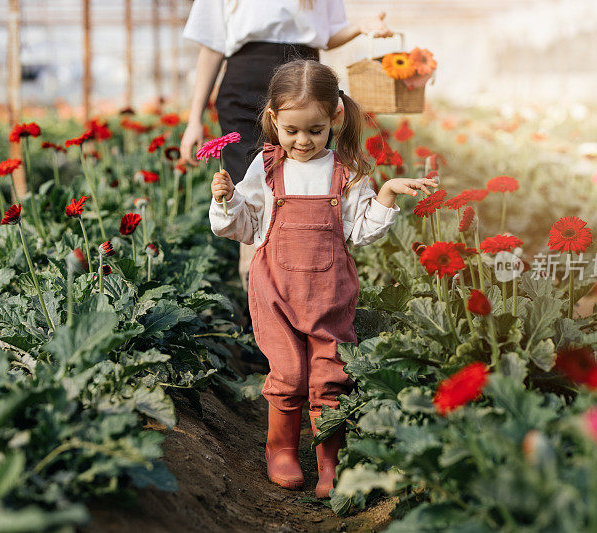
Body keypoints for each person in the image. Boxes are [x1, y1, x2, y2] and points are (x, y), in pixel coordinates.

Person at [209, 60, 439, 497]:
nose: (302, 141)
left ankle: (329, 458)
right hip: (275, 289)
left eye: (314, 130)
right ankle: (281, 450)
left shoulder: (345, 170)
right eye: (291, 130)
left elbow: (359, 230)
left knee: (329, 375)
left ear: (334, 117)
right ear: (274, 120)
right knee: (289, 373)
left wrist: (386, 193)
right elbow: (245, 226)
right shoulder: (266, 166)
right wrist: (225, 202)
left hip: (329, 293)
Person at [180, 0, 393, 292]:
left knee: (305, 189)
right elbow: (213, 45)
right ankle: (258, 302)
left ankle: (314, 292)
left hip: (305, 90)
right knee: (251, 196)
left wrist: (360, 27)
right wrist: (195, 118)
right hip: (243, 90)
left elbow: (328, 34)